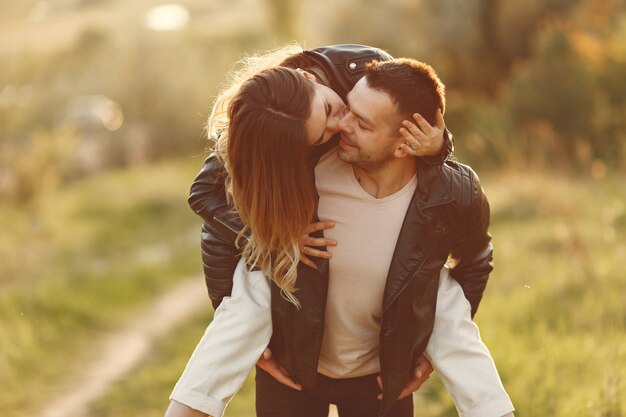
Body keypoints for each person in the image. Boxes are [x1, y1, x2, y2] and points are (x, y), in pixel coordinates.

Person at [167, 45, 514, 417]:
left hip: (380, 377)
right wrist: (268, 239)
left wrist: (439, 145)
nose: (341, 127)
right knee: (249, 294)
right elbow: (211, 214)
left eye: (349, 116)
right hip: (293, 366)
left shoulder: (365, 73)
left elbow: (472, 263)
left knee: (445, 305)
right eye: (321, 136)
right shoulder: (290, 156)